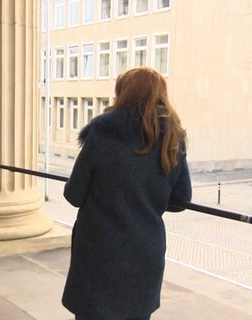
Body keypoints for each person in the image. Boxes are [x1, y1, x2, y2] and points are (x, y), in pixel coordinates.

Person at [62, 67, 192, 320]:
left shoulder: (102, 133)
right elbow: (180, 200)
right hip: (145, 251)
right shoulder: (172, 137)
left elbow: (74, 194)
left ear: (122, 94)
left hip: (99, 250)